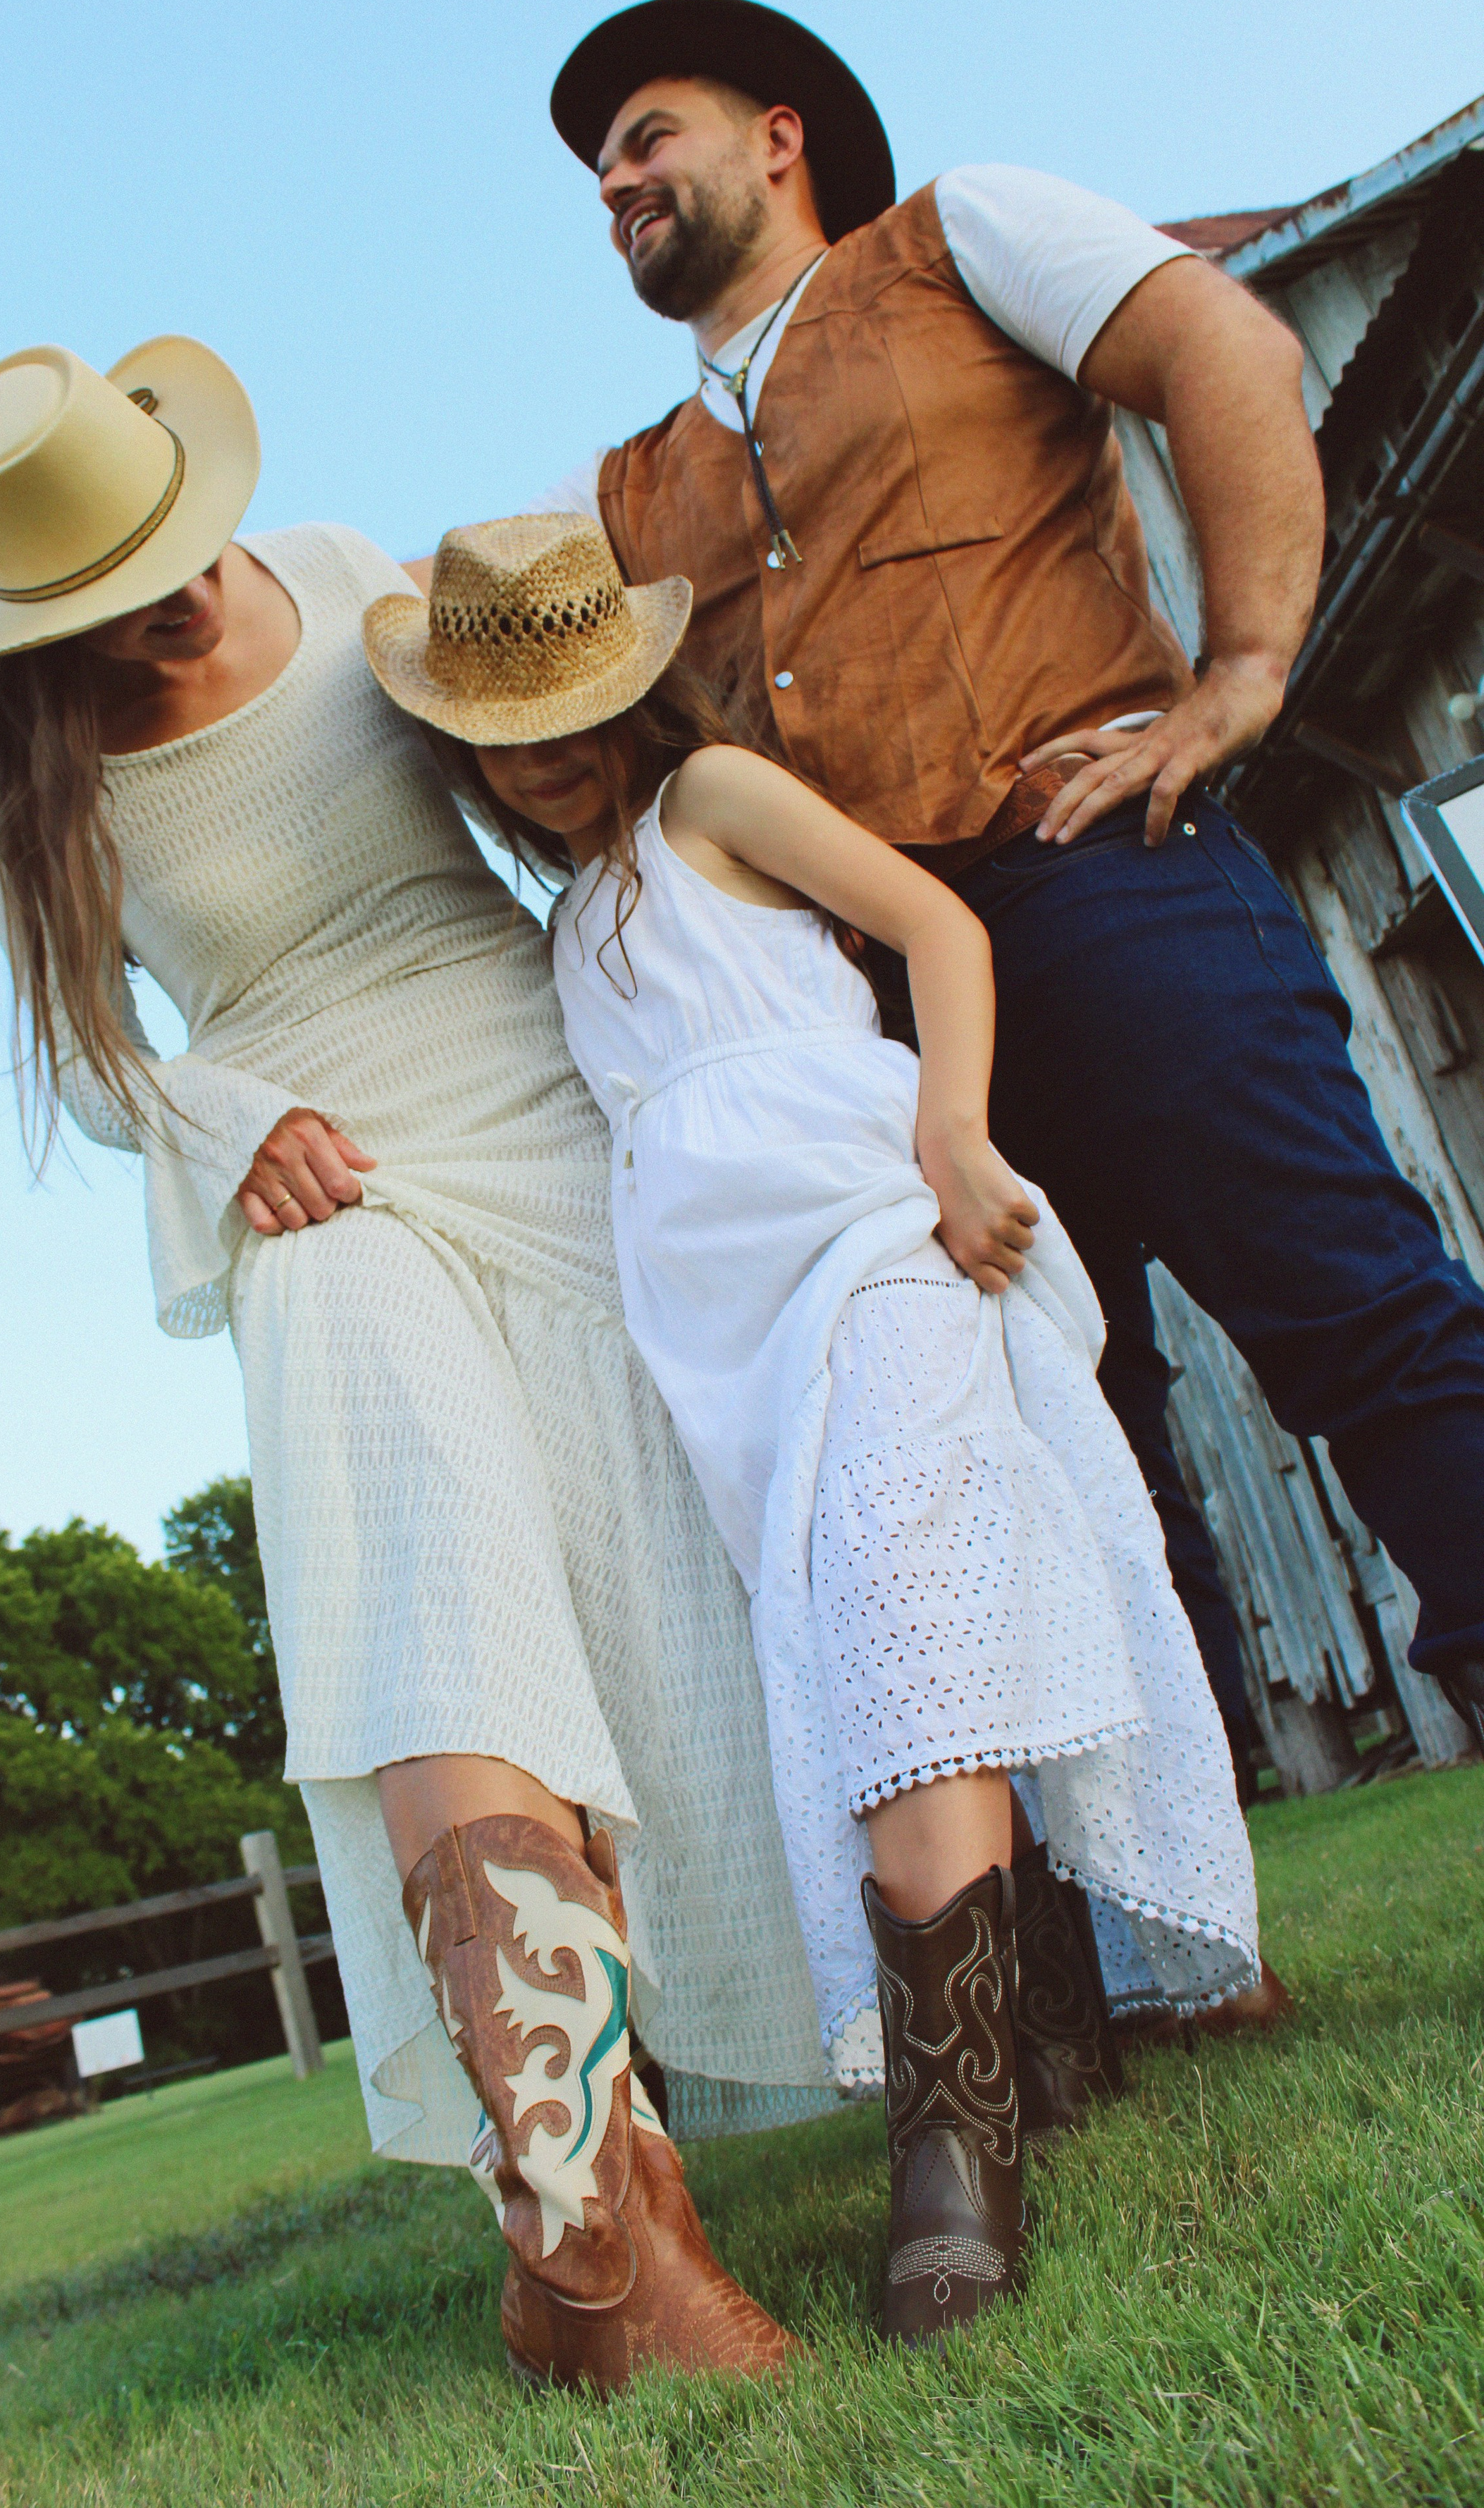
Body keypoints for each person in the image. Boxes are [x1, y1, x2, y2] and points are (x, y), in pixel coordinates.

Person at [0, 333, 831, 2390]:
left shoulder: (334, 566)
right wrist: (228, 1132)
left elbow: (540, 771)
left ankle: (923, 2016)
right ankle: (604, 2224)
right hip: (312, 1173)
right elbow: (92, 1052)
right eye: (98, 598)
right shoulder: (22, 767)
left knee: (677, 1561)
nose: (166, 605)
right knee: (435, 1571)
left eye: (169, 555)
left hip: (530, 1085)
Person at [499, 0, 1484, 1764]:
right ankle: (1183, 1910)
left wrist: (1244, 671)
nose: (611, 182)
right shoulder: (614, 486)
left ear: (776, 134)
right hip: (876, 995)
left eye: (645, 136)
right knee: (1034, 1418)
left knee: (1347, 1300)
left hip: (1102, 865)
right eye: (594, 165)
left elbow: (1231, 360)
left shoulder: (961, 235)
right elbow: (505, 691)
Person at [364, 513, 1261, 2343]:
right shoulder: (570, 922)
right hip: (725, 1339)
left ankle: (961, 2149)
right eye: (498, 732)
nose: (537, 759)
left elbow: (936, 925)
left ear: (632, 686)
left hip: (877, 1236)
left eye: (566, 712)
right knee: (856, 1644)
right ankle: (1047, 2014)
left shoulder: (710, 799)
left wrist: (954, 1140)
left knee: (905, 1611)